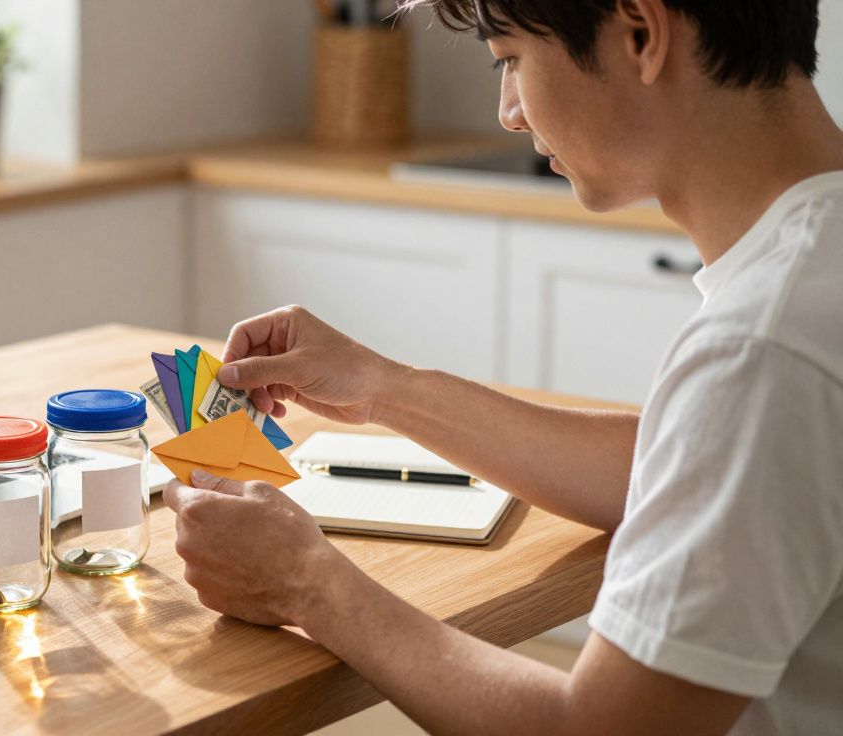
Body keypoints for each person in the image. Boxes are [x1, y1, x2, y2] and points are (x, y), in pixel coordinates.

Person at [162, 0, 843, 733]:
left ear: (642, 34)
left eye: (510, 58)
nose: (510, 113)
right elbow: (688, 468)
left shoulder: (762, 348)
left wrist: (308, 584)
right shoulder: (808, 276)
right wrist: (382, 388)